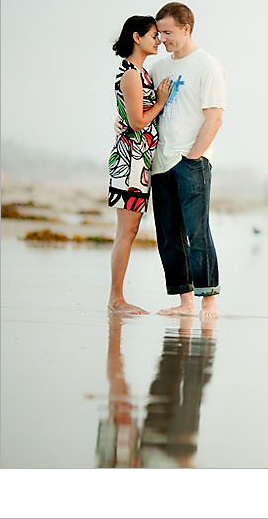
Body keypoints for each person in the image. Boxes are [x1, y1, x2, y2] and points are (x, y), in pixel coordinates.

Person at [148, 2, 226, 320]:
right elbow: (145, 110)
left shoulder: (207, 65)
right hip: (159, 161)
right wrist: (121, 121)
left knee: (197, 231)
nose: (163, 39)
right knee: (168, 235)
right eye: (159, 33)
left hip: (191, 161)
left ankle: (209, 301)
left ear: (186, 29)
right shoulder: (157, 69)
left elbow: (215, 117)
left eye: (168, 32)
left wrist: (193, 156)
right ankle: (184, 302)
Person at [107, 16, 172, 314]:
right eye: (154, 35)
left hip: (139, 160)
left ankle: (117, 297)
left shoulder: (141, 73)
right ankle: (116, 298)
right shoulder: (132, 75)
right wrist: (160, 101)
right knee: (126, 231)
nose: (158, 40)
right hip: (130, 161)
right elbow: (137, 121)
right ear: (137, 37)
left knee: (130, 231)